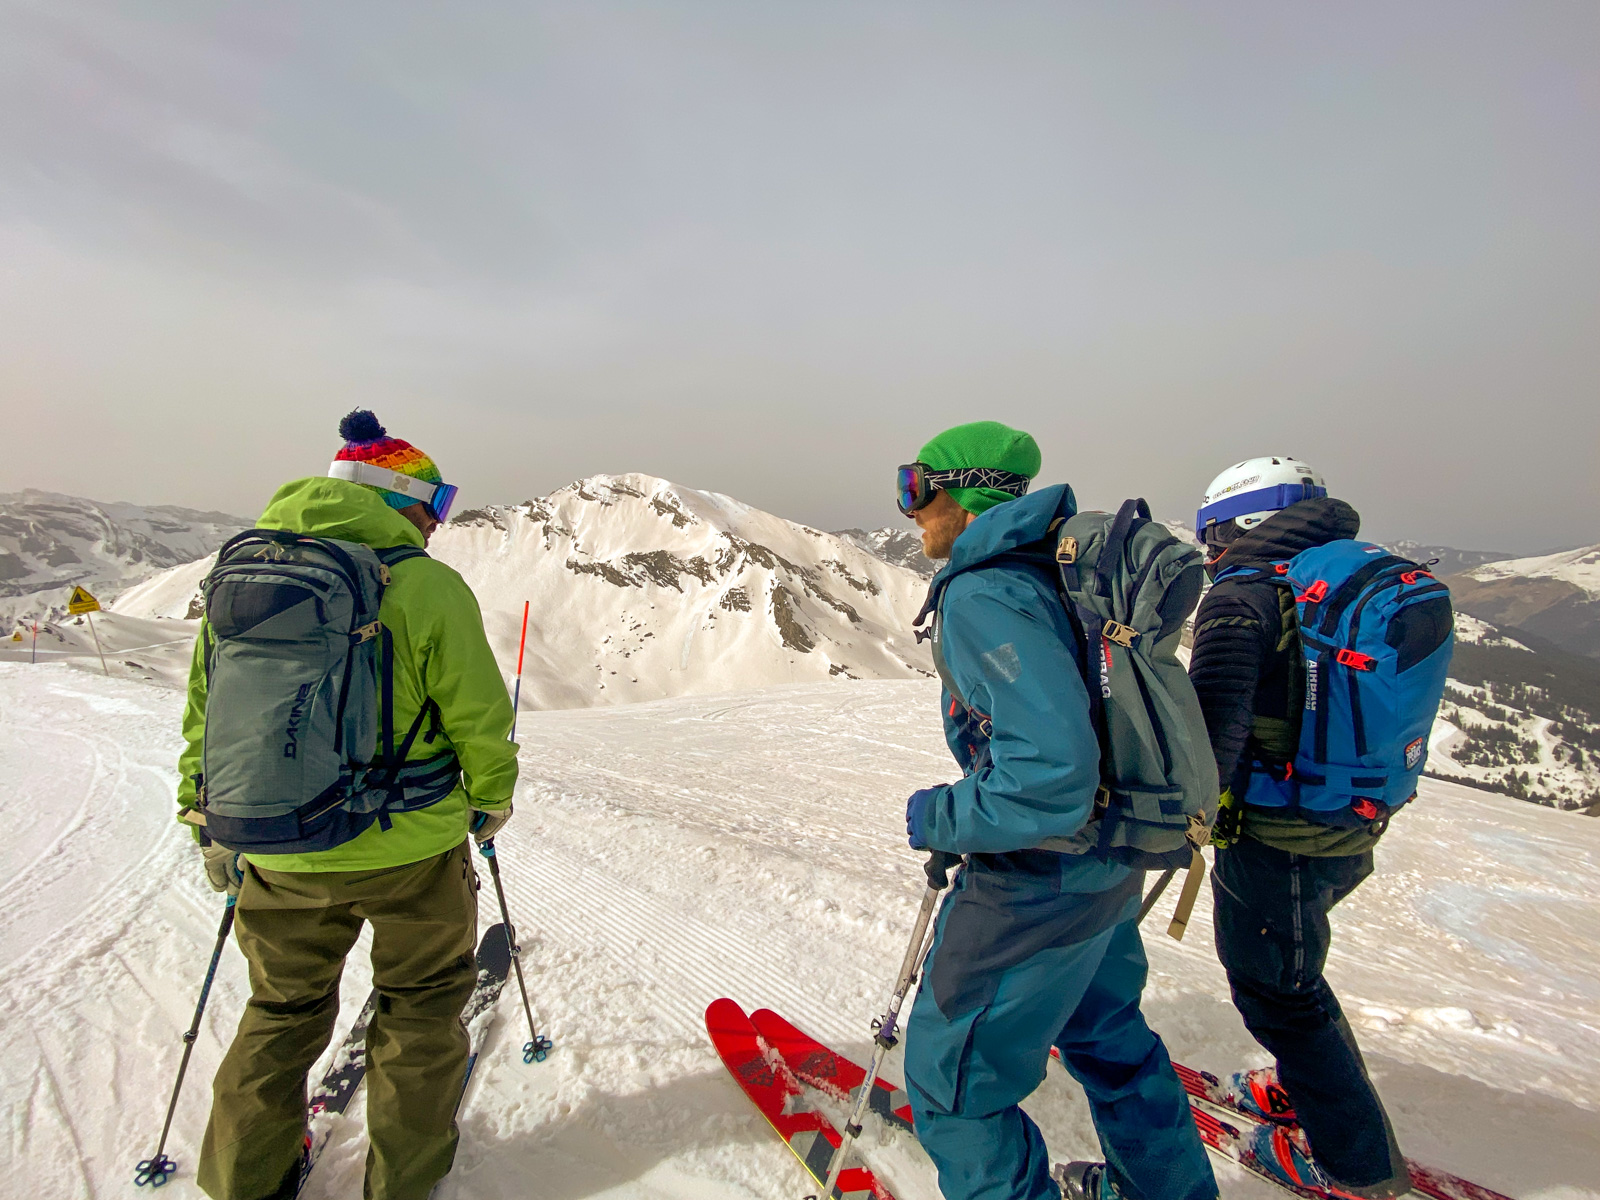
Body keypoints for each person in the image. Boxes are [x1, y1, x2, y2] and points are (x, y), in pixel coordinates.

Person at [178, 410, 518, 1200]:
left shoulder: (243, 578)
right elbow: (477, 714)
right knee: (423, 1007)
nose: (437, 521)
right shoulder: (426, 586)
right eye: (433, 501)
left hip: (278, 847)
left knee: (281, 1010)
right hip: (412, 851)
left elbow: (208, 712)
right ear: (396, 497)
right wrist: (490, 800)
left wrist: (209, 821)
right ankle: (403, 1180)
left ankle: (244, 1182)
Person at [897, 421, 1217, 1200]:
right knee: (1108, 1038)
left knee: (954, 1087)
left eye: (915, 486)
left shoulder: (985, 592)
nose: (910, 509)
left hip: (1037, 878)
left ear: (963, 493)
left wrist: (942, 816)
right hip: (1110, 859)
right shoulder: (1052, 566)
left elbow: (1051, 774)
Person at [1189, 456, 1411, 1197]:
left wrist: (1176, 814)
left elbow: (1209, 735)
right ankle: (1301, 1090)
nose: (1210, 550)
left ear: (1246, 523)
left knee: (1279, 993)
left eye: (1213, 532)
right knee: (1295, 970)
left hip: (1277, 831)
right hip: (1351, 815)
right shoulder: (1352, 576)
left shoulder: (1243, 596)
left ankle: (1354, 1165)